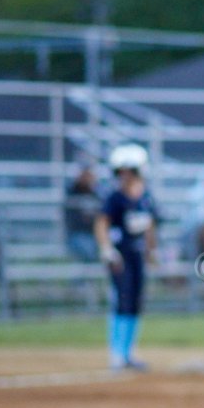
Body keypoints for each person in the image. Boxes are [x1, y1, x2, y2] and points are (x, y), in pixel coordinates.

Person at [93, 143, 158, 371]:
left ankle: (128, 353)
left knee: (135, 302)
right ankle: (117, 354)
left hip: (137, 255)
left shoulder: (145, 197)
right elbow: (102, 223)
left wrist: (151, 251)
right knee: (122, 300)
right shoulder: (115, 197)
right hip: (120, 257)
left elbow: (150, 226)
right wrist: (107, 249)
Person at [64, 164, 102, 261]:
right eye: (84, 175)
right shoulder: (72, 194)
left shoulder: (97, 194)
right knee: (87, 247)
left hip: (95, 233)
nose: (87, 179)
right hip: (79, 234)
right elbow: (73, 220)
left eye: (89, 175)